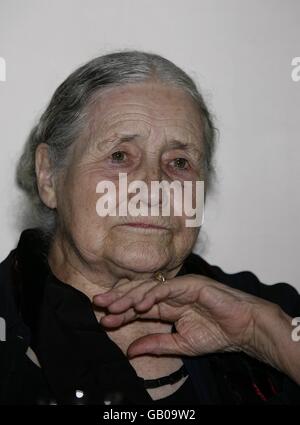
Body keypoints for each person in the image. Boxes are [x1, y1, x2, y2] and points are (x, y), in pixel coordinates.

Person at [0, 51, 299, 405]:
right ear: (49, 175)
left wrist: (269, 338)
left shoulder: (269, 311)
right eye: (120, 156)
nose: (154, 188)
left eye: (179, 162)